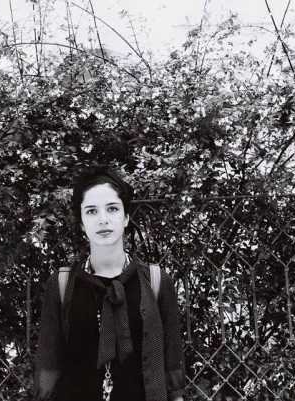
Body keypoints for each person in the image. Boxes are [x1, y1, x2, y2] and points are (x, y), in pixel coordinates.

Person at [33, 166, 185, 401]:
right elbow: (48, 366)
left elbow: (172, 366)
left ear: (125, 218)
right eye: (92, 211)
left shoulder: (156, 282)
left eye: (112, 208)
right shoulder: (62, 285)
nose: (103, 219)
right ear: (82, 223)